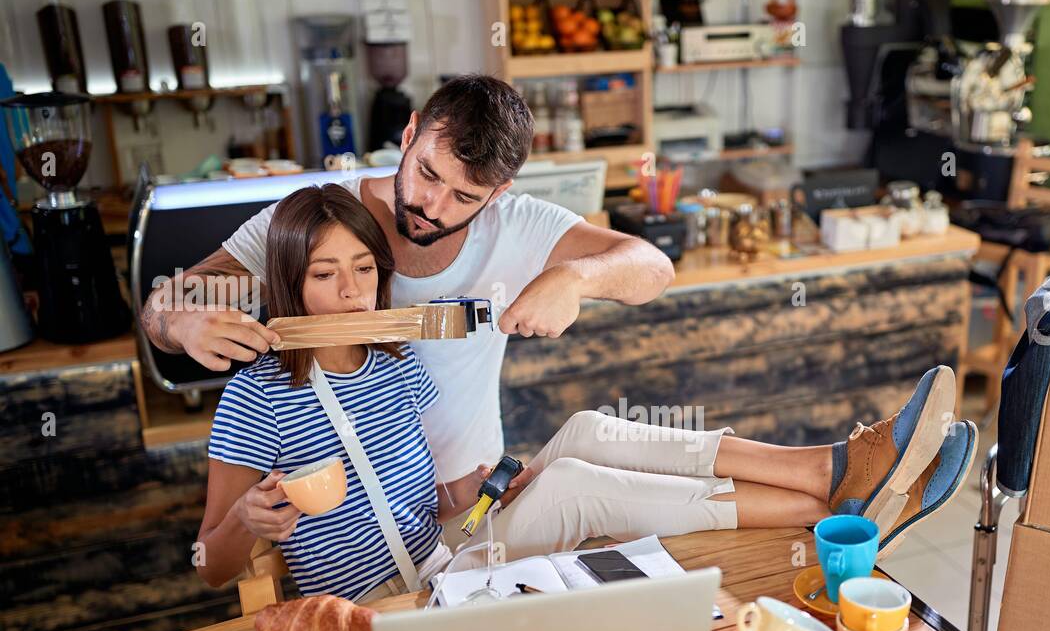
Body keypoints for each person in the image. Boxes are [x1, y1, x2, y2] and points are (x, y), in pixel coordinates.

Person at [197, 185, 978, 604]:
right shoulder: (256, 400)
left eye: (364, 271)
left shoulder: (392, 364)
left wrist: (483, 495)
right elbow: (210, 565)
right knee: (574, 483)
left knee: (580, 432)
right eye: (324, 275)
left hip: (447, 548)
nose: (350, 293)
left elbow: (429, 515)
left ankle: (832, 467)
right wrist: (244, 519)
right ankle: (840, 509)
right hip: (394, 607)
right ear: (287, 282)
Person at [142, 74, 674, 493]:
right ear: (410, 133)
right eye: (428, 173)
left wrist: (573, 277)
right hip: (352, 518)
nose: (431, 208)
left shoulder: (518, 224)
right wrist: (181, 322)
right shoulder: (321, 217)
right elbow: (168, 301)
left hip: (470, 495)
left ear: (499, 191)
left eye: (465, 198)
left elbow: (652, 265)